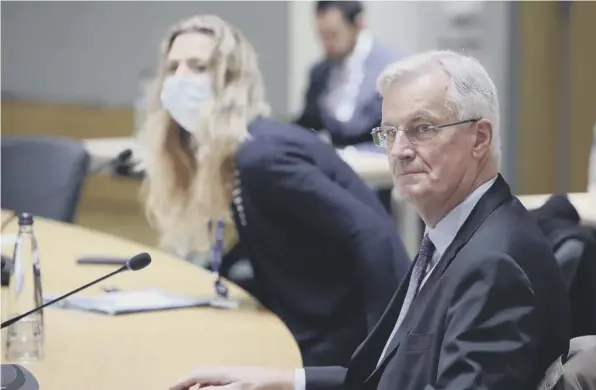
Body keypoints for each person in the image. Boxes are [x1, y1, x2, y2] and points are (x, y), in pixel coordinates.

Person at [167, 50, 572, 390]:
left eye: (422, 128)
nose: (399, 150)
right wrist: (283, 380)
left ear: (480, 138)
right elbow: (389, 377)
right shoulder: (454, 234)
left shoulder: (493, 266)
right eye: (389, 132)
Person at [140, 15, 410, 367]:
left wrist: (390, 357)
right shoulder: (237, 154)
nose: (179, 79)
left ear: (232, 80)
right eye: (172, 67)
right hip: (305, 326)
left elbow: (374, 236)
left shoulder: (263, 157)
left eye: (199, 66)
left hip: (343, 344)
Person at [295, 1, 403, 148]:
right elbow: (308, 125)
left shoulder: (393, 67)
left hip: (378, 162)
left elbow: (399, 133)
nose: (326, 44)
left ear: (358, 23)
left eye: (333, 35)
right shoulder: (319, 72)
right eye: (321, 35)